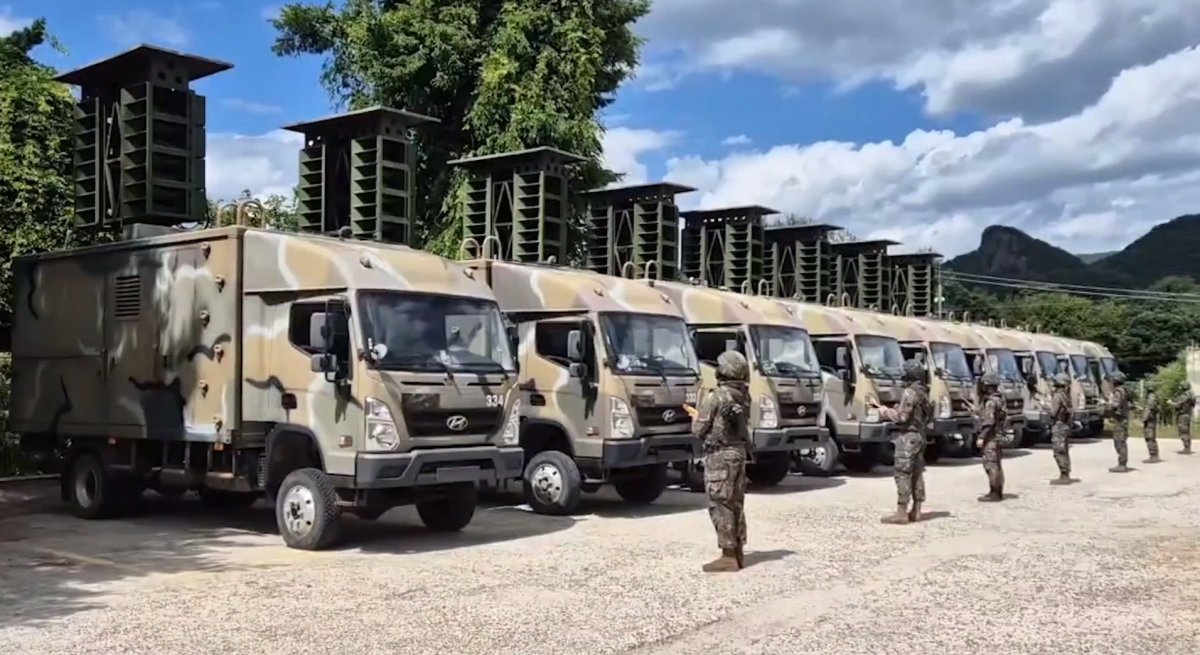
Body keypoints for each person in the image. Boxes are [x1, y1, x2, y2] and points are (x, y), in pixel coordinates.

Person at [684, 350, 751, 573]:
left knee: (720, 503)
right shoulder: (744, 396)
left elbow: (699, 430)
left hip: (720, 457)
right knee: (736, 503)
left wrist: (695, 416)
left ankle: (728, 556)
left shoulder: (715, 397)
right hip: (739, 454)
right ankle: (738, 551)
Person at [870, 359, 933, 524]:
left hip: (908, 437)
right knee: (917, 473)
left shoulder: (910, 393)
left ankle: (902, 512)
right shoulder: (924, 392)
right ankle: (917, 510)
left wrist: (884, 411)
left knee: (903, 473)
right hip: (920, 436)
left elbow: (901, 417)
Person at [974, 372, 1007, 501]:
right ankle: (998, 491)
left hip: (991, 437)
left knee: (990, 465)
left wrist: (982, 437)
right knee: (997, 464)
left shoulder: (990, 402)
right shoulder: (1000, 399)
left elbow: (989, 422)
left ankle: (995, 493)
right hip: (998, 435)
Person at [1048, 372, 1075, 485]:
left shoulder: (1058, 396)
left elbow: (1053, 413)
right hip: (1066, 425)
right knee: (1064, 450)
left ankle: (1064, 475)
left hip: (1059, 425)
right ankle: (1066, 473)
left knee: (1059, 450)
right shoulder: (1067, 396)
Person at [1104, 372, 1133, 473]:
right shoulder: (1124, 390)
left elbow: (1115, 405)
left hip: (1120, 420)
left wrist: (1105, 406)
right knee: (1121, 441)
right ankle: (1122, 463)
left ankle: (1122, 464)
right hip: (1123, 419)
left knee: (1119, 442)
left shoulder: (1118, 392)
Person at [1173, 387, 1195, 455]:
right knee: (1187, 432)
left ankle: (1186, 448)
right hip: (1188, 414)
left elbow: (1178, 405)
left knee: (1183, 431)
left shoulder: (1184, 396)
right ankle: (1187, 447)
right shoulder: (1191, 395)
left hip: (1183, 415)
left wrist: (1170, 403)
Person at [1142, 387, 1161, 464]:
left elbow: (1148, 409)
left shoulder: (1151, 397)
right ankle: (1154, 455)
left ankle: (1153, 456)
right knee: (1151, 437)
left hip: (1149, 421)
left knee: (1149, 437)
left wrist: (1143, 419)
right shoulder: (1154, 396)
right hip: (1152, 420)